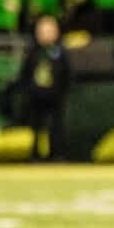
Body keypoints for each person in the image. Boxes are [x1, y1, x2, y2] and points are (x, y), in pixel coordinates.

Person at [16, 15, 70, 161]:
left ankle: (57, 154)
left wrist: (62, 92)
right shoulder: (33, 52)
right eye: (43, 30)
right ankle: (35, 155)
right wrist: (28, 91)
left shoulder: (60, 51)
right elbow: (25, 74)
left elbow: (67, 73)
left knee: (56, 126)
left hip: (55, 96)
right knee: (35, 126)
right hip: (36, 96)